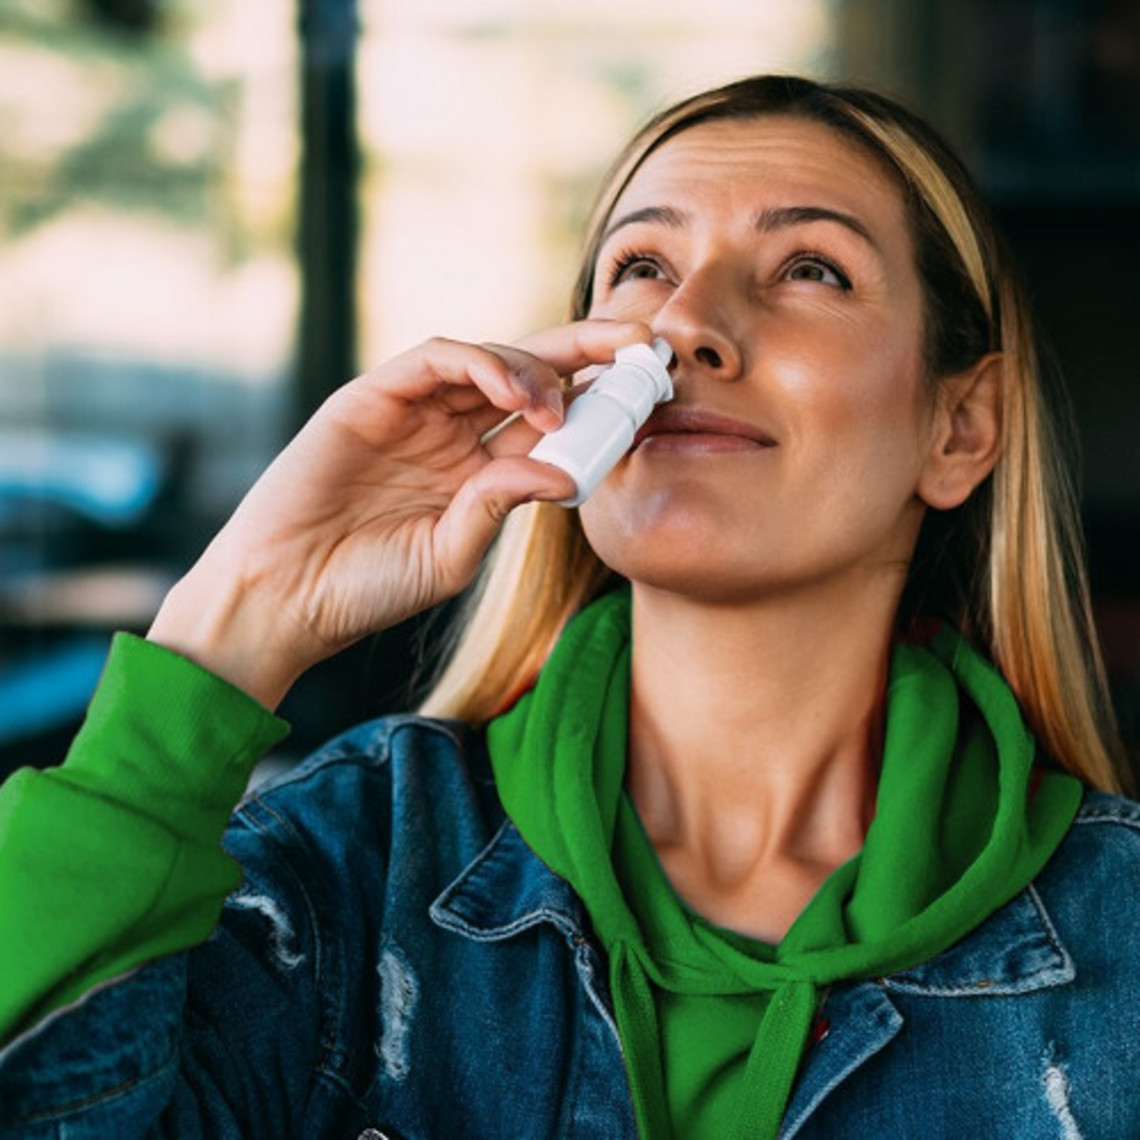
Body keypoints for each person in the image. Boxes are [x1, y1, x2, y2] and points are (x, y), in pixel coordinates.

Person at [0, 74, 1137, 1140]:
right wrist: (236, 619)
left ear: (960, 429)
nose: (684, 322)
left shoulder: (1119, 939)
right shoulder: (347, 872)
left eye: (811, 270)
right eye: (643, 265)